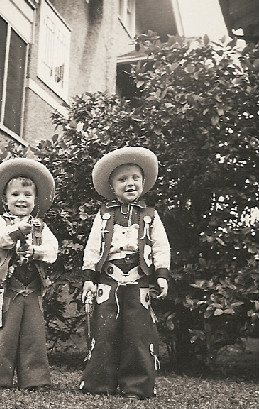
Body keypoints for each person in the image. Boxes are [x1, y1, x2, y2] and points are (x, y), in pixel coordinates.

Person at [79, 147, 170, 400]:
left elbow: (161, 246)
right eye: (122, 179)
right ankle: (99, 383)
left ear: (143, 182)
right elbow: (93, 246)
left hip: (139, 281)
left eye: (135, 178)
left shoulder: (150, 216)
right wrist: (89, 278)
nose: (130, 183)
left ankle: (137, 386)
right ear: (112, 186)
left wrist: (162, 275)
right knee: (104, 331)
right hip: (108, 279)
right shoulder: (104, 215)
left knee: (137, 333)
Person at [0, 158, 58, 390]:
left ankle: (35, 380)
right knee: (1, 332)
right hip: (7, 287)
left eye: (27, 195)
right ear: (5, 200)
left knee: (33, 334)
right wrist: (18, 231)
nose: (21, 199)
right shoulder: (2, 222)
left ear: (35, 200)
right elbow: (1, 240)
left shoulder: (40, 227)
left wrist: (35, 251)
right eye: (15, 194)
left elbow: (52, 251)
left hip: (32, 288)